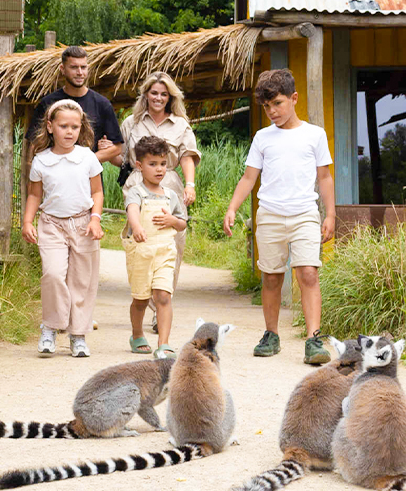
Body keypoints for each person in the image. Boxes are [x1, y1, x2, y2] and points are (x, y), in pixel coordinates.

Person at [222, 69, 336, 365]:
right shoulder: (263, 138)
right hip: (270, 214)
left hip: (305, 214)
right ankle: (271, 335)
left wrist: (331, 214)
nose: (272, 111)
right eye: (267, 106)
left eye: (278, 104)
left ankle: (314, 339)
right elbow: (249, 178)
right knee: (271, 277)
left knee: (308, 273)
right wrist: (233, 207)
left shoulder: (315, 134)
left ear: (294, 98)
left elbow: (324, 177)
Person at [115, 71, 201, 334]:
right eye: (154, 93)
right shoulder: (131, 123)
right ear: (146, 95)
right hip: (137, 186)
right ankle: (142, 301)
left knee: (170, 246)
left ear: (170, 97)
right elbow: (120, 157)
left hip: (170, 185)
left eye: (164, 94)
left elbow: (187, 156)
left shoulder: (180, 125)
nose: (159, 98)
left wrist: (190, 184)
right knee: (141, 245)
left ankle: (161, 305)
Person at [21, 99, 105, 357]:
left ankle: (78, 335)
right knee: (53, 274)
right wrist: (27, 221)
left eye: (75, 127)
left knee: (82, 280)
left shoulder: (87, 158)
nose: (69, 132)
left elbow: (97, 191)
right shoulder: (41, 161)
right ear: (50, 127)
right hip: (51, 225)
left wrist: (95, 218)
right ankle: (50, 327)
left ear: (81, 128)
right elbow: (35, 195)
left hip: (83, 224)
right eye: (63, 126)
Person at [122, 136, 188, 358]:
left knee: (163, 296)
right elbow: (132, 209)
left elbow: (182, 222)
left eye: (162, 164)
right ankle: (137, 333)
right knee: (140, 299)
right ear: (140, 166)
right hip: (141, 253)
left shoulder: (170, 195)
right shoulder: (136, 192)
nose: (159, 169)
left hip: (164, 253)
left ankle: (164, 344)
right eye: (153, 164)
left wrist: (173, 221)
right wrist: (137, 226)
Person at [26, 45, 123, 169]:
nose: (80, 72)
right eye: (74, 67)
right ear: (63, 69)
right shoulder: (47, 103)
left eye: (83, 67)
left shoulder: (102, 104)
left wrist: (86, 162)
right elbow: (34, 145)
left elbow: (117, 148)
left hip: (90, 180)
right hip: (54, 175)